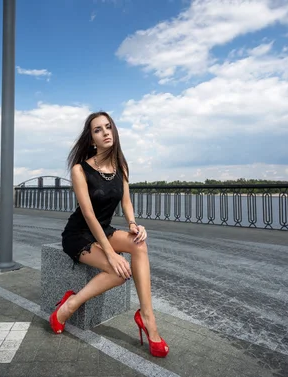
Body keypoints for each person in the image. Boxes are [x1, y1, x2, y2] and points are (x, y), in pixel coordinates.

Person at [49, 111, 169, 358]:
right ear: (92, 139)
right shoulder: (80, 170)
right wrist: (112, 254)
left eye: (108, 127)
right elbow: (89, 215)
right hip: (79, 234)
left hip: (103, 230)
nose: (105, 132)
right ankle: (69, 305)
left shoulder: (121, 166)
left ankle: (147, 317)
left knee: (140, 244)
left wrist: (134, 224)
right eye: (98, 130)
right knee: (118, 270)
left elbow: (126, 202)